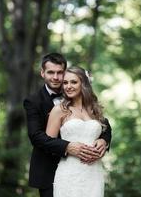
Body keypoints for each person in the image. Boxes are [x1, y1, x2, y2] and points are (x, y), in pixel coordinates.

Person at [23, 53, 112, 197]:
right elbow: (36, 136)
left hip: (90, 171)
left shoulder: (88, 105)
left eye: (60, 73)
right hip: (51, 170)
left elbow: (104, 125)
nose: (56, 77)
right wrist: (67, 147)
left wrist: (104, 140)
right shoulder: (34, 101)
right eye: (51, 72)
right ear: (42, 73)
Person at [46, 66, 110, 197]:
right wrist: (68, 147)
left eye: (73, 82)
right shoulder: (59, 110)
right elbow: (48, 143)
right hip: (69, 173)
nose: (68, 86)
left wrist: (103, 140)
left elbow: (106, 130)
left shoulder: (95, 111)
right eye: (65, 83)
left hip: (94, 173)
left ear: (84, 84)